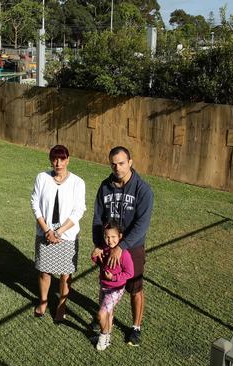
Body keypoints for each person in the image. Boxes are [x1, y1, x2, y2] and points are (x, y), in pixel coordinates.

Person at [92, 146, 153, 346]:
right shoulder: (105, 186)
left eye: (121, 163)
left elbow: (142, 224)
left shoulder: (142, 189)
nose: (117, 167)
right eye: (113, 163)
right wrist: (100, 244)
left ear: (130, 162)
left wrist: (122, 246)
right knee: (109, 285)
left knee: (134, 288)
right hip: (109, 245)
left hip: (132, 247)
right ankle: (106, 323)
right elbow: (98, 218)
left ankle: (135, 327)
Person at [31, 145, 86, 322]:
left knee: (65, 274)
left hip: (67, 237)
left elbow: (78, 211)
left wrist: (59, 232)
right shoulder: (42, 178)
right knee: (44, 272)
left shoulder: (78, 182)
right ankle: (44, 302)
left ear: (68, 160)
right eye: (55, 159)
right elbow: (35, 203)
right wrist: (47, 230)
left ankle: (61, 307)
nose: (58, 163)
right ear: (50, 160)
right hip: (45, 233)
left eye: (62, 159)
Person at [92, 222, 134, 351]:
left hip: (115, 289)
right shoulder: (104, 248)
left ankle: (103, 337)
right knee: (108, 313)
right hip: (104, 286)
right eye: (107, 237)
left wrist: (114, 278)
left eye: (113, 237)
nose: (110, 240)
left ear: (120, 236)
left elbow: (129, 273)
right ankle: (108, 336)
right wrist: (94, 255)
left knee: (101, 315)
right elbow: (100, 262)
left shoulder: (124, 254)